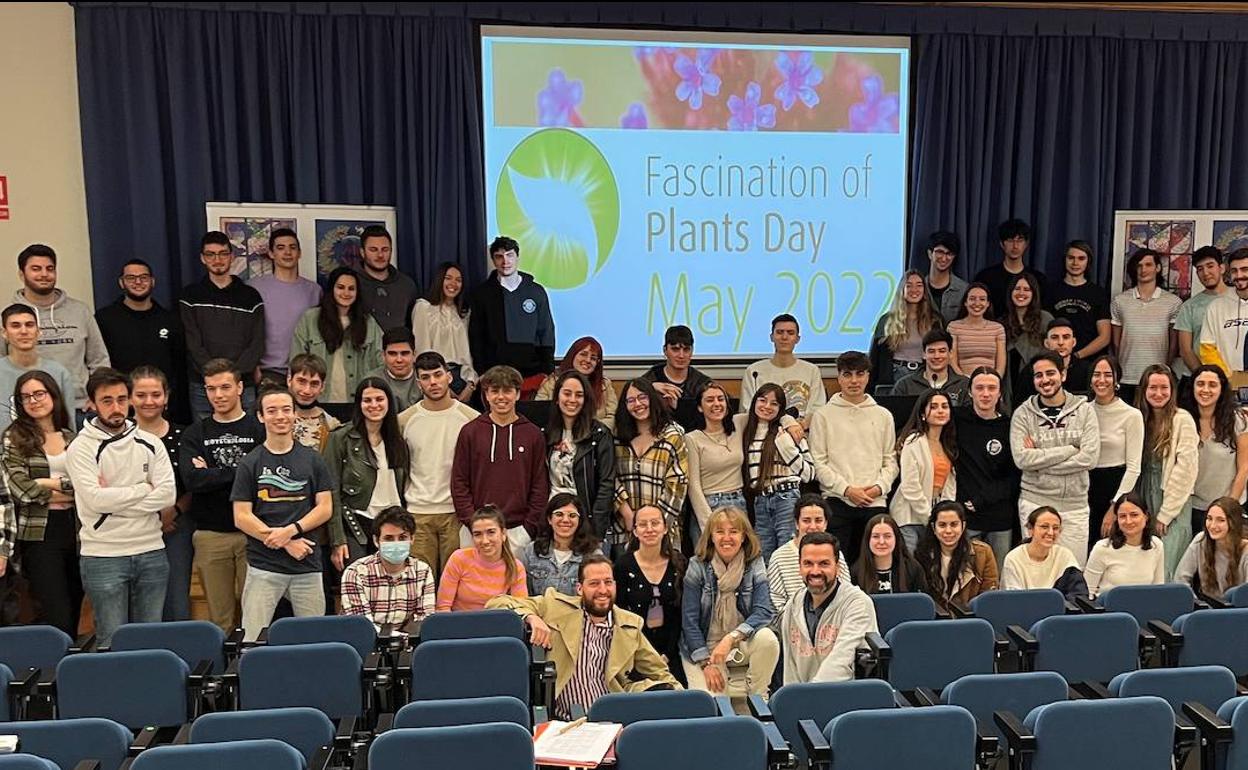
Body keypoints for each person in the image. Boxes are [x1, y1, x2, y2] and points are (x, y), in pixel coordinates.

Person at [489, 553, 681, 719]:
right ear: (579, 589)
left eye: (608, 582)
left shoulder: (629, 625)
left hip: (613, 720)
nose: (603, 590)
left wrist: (685, 703)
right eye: (594, 584)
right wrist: (531, 617)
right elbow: (497, 603)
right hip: (565, 721)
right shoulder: (555, 607)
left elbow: (661, 673)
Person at [67, 368, 175, 646]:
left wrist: (113, 499)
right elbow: (94, 500)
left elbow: (166, 497)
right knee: (111, 642)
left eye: (121, 399)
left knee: (151, 641)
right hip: (103, 555)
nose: (116, 408)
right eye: (106, 401)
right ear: (91, 404)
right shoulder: (80, 448)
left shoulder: (151, 443)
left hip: (151, 550)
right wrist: (142, 489)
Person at [231, 388, 334, 640]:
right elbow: (241, 516)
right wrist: (285, 542)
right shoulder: (250, 463)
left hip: (307, 564)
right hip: (263, 566)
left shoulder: (313, 459)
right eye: (272, 410)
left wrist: (291, 531)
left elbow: (325, 507)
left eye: (286, 409)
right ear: (261, 417)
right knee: (252, 639)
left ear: (294, 414)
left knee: (314, 640)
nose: (280, 416)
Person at [179, 358, 265, 632]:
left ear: (240, 387)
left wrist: (214, 472)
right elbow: (193, 480)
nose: (218, 395)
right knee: (219, 619)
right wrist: (242, 470)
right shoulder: (195, 434)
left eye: (225, 387)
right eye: (211, 388)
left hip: (254, 533)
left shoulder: (258, 430)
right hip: (210, 535)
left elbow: (264, 478)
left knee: (256, 615)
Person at [1, 372, 80, 634]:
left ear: (53, 395)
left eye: (39, 394)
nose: (33, 401)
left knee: (75, 602)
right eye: (26, 397)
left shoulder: (72, 437)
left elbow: (88, 486)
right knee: (55, 610)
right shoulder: (14, 438)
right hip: (39, 531)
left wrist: (47, 482)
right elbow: (21, 489)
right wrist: (66, 486)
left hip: (77, 528)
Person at [1010, 352, 1100, 567]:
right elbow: (1022, 459)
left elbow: (1089, 459)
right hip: (1035, 501)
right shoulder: (1023, 414)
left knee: (1072, 572)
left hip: (1074, 505)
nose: (1045, 380)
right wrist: (1070, 450)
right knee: (1035, 572)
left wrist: (1040, 463)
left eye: (1050, 373)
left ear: (1063, 374)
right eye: (1038, 375)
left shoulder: (1085, 411)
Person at [810, 351, 897, 566]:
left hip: (874, 501)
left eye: (860, 374)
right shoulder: (823, 415)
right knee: (838, 567)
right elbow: (818, 462)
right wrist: (847, 490)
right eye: (847, 375)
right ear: (839, 377)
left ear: (868, 376)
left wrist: (878, 488)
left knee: (876, 567)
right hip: (837, 501)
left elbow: (891, 460)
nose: (854, 381)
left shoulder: (883, 415)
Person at [679, 507, 778, 698]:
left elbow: (763, 611)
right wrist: (706, 663)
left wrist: (731, 638)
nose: (727, 538)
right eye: (720, 532)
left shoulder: (755, 563)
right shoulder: (697, 566)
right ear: (711, 536)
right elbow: (689, 622)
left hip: (740, 640)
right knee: (712, 702)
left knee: (768, 638)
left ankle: (757, 697)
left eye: (733, 531)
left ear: (744, 536)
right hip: (705, 646)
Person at [450, 365, 548, 549]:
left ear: (518, 394)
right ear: (486, 395)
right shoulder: (470, 432)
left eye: (507, 391)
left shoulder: (533, 434)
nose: (501, 397)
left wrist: (529, 528)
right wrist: (473, 523)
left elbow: (540, 485)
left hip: (518, 532)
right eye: (494, 391)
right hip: (476, 531)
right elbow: (459, 481)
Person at [400, 352, 478, 579]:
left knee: (455, 585)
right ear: (418, 382)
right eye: (425, 377)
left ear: (449, 377)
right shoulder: (404, 420)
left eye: (437, 375)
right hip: (417, 513)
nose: (433, 382)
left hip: (456, 514)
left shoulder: (470, 419)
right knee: (419, 585)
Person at [11, 244, 110, 413]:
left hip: (81, 409)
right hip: (31, 411)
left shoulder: (80, 311)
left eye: (50, 269)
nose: (44, 274)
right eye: (36, 269)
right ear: (22, 274)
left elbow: (99, 360)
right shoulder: (10, 317)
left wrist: (99, 397)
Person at [129, 366, 193, 622]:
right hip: (130, 527)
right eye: (141, 395)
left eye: (156, 394)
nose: (149, 401)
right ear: (130, 397)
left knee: (176, 601)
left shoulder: (185, 435)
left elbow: (193, 486)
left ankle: (176, 658)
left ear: (166, 397)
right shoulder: (118, 437)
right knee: (136, 604)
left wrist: (172, 512)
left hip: (177, 523)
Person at [324, 378, 410, 567]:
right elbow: (331, 493)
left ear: (389, 402)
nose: (374, 405)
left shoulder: (398, 440)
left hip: (394, 523)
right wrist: (337, 540)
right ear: (359, 404)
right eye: (367, 400)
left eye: (379, 399)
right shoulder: (340, 438)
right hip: (355, 523)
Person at [179, 231, 265, 418]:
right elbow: (192, 342)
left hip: (242, 384)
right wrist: (215, 377)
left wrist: (232, 378)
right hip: (204, 385)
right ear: (203, 258)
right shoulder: (190, 296)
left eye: (223, 253)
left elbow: (257, 342)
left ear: (231, 257)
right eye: (210, 254)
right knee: (205, 440)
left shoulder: (251, 296)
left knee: (246, 439)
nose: (217, 259)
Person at [95, 259, 188, 423]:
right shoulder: (105, 319)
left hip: (161, 407)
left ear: (152, 281)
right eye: (131, 278)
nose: (138, 282)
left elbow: (179, 366)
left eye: (144, 277)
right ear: (121, 282)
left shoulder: (170, 320)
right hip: (120, 408)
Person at [781, 531, 877, 684]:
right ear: (799, 567)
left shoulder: (858, 604)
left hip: (847, 699)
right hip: (804, 700)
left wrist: (809, 696)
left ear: (837, 567)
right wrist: (794, 701)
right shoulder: (793, 606)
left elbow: (842, 663)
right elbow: (790, 671)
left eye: (824, 564)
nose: (815, 571)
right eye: (808, 563)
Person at [1135, 364, 1198, 580]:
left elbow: (1186, 471)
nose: (1158, 393)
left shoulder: (1183, 419)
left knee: (1168, 568)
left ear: (1172, 390)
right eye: (1153, 388)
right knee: (1146, 567)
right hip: (1144, 496)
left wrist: (1166, 513)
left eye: (1164, 388)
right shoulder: (1139, 418)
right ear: (1144, 390)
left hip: (1172, 502)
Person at [614, 505, 687, 685]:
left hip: (672, 650)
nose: (649, 529)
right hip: (635, 651)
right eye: (643, 524)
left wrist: (667, 655)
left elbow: (682, 615)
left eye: (655, 523)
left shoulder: (679, 564)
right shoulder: (623, 566)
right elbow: (620, 614)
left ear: (665, 528)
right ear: (635, 531)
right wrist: (645, 658)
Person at [468, 235, 556, 386]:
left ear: (517, 257)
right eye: (499, 257)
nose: (505, 261)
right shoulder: (482, 294)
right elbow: (476, 336)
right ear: (493, 260)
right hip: (495, 374)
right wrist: (482, 370)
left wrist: (547, 370)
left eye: (509, 255)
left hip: (533, 374)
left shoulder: (536, 291)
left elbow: (546, 332)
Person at [613, 378, 688, 553]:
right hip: (625, 530)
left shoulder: (672, 435)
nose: (637, 404)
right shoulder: (616, 436)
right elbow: (609, 477)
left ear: (653, 399)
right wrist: (628, 515)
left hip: (663, 531)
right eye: (630, 400)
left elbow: (677, 486)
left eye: (642, 397)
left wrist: (653, 525)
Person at [290, 266, 383, 406]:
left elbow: (380, 361)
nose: (346, 293)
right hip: (318, 400)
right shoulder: (310, 318)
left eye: (351, 288)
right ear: (331, 289)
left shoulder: (368, 322)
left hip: (358, 401)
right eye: (340, 287)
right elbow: (296, 360)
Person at [955, 368, 1019, 569]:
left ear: (1000, 393)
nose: (985, 393)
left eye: (991, 388)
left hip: (999, 516)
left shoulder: (1010, 426)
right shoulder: (956, 421)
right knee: (966, 577)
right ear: (970, 391)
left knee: (998, 578)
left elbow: (1015, 475)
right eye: (980, 388)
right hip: (967, 514)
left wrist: (982, 500)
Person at [742, 384, 814, 561]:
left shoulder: (789, 432)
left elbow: (809, 474)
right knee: (763, 555)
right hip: (760, 500)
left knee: (787, 552)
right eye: (762, 400)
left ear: (780, 409)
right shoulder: (746, 431)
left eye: (774, 404)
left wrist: (786, 448)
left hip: (786, 497)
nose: (767, 406)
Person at [542, 370, 615, 540]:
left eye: (579, 395)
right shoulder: (544, 433)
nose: (572, 400)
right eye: (567, 393)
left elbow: (606, 484)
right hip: (552, 520)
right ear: (557, 397)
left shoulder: (600, 434)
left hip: (585, 521)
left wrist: (595, 527)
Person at [339, 506, 436, 627]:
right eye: (389, 538)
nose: (396, 543)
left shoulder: (423, 571)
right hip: (366, 642)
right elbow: (361, 627)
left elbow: (424, 620)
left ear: (412, 539)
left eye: (402, 538)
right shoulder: (355, 573)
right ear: (376, 541)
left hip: (409, 642)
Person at [247, 228, 321, 382]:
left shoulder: (314, 290)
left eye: (292, 247)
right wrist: (252, 365)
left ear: (299, 253)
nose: (287, 252)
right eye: (281, 248)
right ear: (271, 254)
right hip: (267, 372)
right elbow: (245, 331)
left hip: (304, 372)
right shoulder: (254, 287)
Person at [1088, 355, 1144, 555]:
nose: (1101, 380)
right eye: (1096, 375)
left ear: (1116, 380)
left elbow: (1134, 467)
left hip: (1115, 487)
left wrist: (1114, 507)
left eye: (1107, 375)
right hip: (1084, 487)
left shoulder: (1131, 415)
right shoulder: (1082, 411)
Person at [890, 389, 958, 552]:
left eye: (945, 406)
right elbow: (910, 487)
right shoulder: (913, 441)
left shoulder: (946, 443)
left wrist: (945, 513)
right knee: (911, 568)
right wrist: (931, 517)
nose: (940, 411)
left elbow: (949, 485)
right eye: (934, 407)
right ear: (922, 414)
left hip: (934, 515)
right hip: (909, 516)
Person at [1185, 364, 1248, 535]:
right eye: (1200, 384)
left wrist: (1228, 506)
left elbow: (1244, 467)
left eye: (1212, 385)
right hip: (1192, 507)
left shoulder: (1237, 419)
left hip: (1228, 507)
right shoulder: (1183, 419)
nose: (1206, 390)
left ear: (1222, 389)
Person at [1110, 248, 1181, 399]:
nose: (1143, 270)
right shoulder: (1120, 301)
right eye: (1139, 265)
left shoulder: (1173, 302)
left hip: (1157, 379)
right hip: (1127, 377)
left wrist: (1166, 368)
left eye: (1148, 265)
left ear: (1158, 268)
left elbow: (1174, 344)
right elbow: (1116, 343)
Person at [768, 494, 851, 615]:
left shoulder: (835, 553)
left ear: (826, 523)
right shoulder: (779, 557)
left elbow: (845, 592)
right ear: (797, 523)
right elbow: (776, 603)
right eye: (806, 521)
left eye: (818, 520)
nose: (813, 526)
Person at [686, 382, 746, 548]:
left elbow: (765, 413)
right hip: (710, 504)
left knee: (740, 562)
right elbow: (693, 485)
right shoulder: (692, 438)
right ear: (699, 407)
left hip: (738, 504)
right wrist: (707, 522)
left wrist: (788, 420)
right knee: (709, 564)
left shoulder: (738, 424)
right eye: (710, 400)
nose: (716, 404)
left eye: (721, 399)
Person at [436, 506, 527, 612]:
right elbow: (443, 607)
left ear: (503, 534)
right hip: (460, 624)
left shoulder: (516, 567)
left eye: (491, 532)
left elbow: (522, 609)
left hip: (497, 624)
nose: (485, 541)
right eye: (477, 534)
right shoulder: (458, 559)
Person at [740, 314, 827, 425]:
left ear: (797, 339)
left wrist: (797, 427)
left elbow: (818, 409)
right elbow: (747, 408)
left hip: (801, 434)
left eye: (790, 333)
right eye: (780, 332)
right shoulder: (754, 371)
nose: (784, 337)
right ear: (771, 337)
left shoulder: (811, 370)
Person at [0, 304, 74, 432]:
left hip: (52, 449)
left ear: (39, 331)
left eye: (29, 325)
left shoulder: (59, 372)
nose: (24, 331)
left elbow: (68, 425)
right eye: (15, 326)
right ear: (4, 333)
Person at [410, 261, 477, 403]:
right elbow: (422, 351)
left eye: (458, 280)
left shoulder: (463, 313)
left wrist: (471, 384)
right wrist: (442, 383)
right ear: (439, 279)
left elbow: (467, 354)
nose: (453, 283)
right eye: (448, 278)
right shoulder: (424, 308)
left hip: (462, 379)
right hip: (436, 376)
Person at [914, 501, 999, 611]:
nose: (948, 531)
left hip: (971, 620)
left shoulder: (983, 553)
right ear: (933, 527)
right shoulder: (921, 554)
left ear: (963, 526)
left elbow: (989, 598)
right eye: (942, 525)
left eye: (954, 524)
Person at [868, 270, 943, 391]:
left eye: (919, 285)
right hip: (894, 375)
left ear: (925, 290)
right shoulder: (887, 320)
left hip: (924, 375)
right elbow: (874, 358)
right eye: (909, 286)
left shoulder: (934, 320)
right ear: (901, 290)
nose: (914, 290)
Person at [1085, 492, 1165, 598]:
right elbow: (1087, 593)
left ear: (1146, 516)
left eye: (1134, 515)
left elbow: (1158, 589)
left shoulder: (1156, 545)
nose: (1128, 521)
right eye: (1122, 516)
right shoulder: (1102, 548)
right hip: (1111, 611)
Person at [519, 493, 601, 596]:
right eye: (559, 514)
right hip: (538, 612)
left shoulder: (593, 554)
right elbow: (524, 597)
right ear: (549, 519)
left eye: (572, 515)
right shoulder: (531, 551)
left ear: (579, 521)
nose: (566, 520)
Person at [1046, 240, 1111, 361]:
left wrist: (1077, 356)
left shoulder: (1098, 293)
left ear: (1088, 262)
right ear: (1064, 260)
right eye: (1071, 258)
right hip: (1055, 361)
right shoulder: (1050, 291)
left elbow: (1105, 337)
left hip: (1088, 362)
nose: (1075, 263)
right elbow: (1042, 330)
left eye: (1081, 258)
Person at [1174, 496, 1248, 601]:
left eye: (1220, 520)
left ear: (1234, 523)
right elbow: (1180, 580)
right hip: (1208, 607)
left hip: (1238, 610)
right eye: (1209, 518)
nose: (1213, 526)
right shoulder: (1200, 540)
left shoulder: (1246, 550)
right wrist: (1195, 603)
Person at [535, 336, 617, 430]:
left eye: (593, 358)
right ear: (573, 355)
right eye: (583, 354)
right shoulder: (552, 382)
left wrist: (591, 431)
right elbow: (540, 414)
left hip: (595, 437)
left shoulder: (605, 385)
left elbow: (613, 416)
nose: (587, 360)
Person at [1001, 507, 1084, 596]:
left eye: (1055, 528)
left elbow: (1078, 595)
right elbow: (1013, 599)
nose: (1051, 533)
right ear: (1030, 529)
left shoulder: (1065, 555)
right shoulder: (1014, 558)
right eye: (1044, 527)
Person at [973, 218, 1048, 318]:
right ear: (1002, 244)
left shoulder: (1038, 279)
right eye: (1010, 240)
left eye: (1020, 240)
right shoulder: (985, 277)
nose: (1015, 246)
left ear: (1026, 244)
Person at [640, 325, 714, 425]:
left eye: (686, 349)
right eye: (675, 349)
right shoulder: (652, 377)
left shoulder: (701, 383)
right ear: (665, 350)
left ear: (692, 351)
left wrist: (680, 407)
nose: (681, 355)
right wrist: (650, 388)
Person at [355, 225, 417, 335]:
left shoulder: (407, 285)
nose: (380, 255)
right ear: (362, 252)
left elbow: (414, 328)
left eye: (385, 249)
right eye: (373, 250)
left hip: (397, 350)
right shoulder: (350, 283)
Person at [1004, 272, 1054, 405]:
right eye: (1017, 289)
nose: (1021, 293)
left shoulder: (1045, 319)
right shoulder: (1002, 322)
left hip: (1035, 383)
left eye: (1027, 289)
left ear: (1034, 294)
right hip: (1009, 384)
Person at [1176, 246, 1227, 377]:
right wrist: (1205, 377)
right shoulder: (1189, 306)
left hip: (1238, 380)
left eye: (1210, 266)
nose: (1205, 272)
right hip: (1199, 379)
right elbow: (1186, 350)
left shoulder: (1240, 300)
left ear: (1221, 268)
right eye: (1200, 269)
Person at [1198, 247, 1248, 377]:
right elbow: (1207, 349)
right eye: (1234, 271)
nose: (1239, 275)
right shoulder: (1216, 307)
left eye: (1245, 270)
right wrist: (1225, 378)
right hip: (1227, 386)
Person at [852, 514, 927, 595]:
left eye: (887, 536)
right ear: (867, 540)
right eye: (875, 536)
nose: (881, 542)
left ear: (897, 539)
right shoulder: (856, 572)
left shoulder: (913, 569)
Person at [891, 329, 970, 405]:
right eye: (931, 351)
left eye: (942, 351)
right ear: (923, 354)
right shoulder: (905, 385)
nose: (936, 356)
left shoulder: (964, 385)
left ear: (950, 353)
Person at [948, 283, 1007, 377]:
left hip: (990, 383)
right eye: (972, 299)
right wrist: (965, 382)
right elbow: (952, 362)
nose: (977, 303)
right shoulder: (954, 327)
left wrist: (994, 380)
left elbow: (1001, 366)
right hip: (961, 382)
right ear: (965, 302)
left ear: (988, 304)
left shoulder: (997, 328)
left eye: (982, 299)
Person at [287, 354, 340, 451]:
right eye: (301, 381)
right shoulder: (277, 418)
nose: (307, 390)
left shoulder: (331, 425)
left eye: (314, 384)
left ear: (322, 387)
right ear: (289, 380)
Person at [368, 327, 422, 411]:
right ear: (383, 355)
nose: (399, 360)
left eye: (404, 353)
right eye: (392, 354)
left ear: (414, 355)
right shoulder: (371, 380)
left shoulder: (426, 377)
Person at [924, 231, 968, 324]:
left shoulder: (964, 290)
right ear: (930, 254)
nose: (944, 258)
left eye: (949, 253)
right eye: (940, 252)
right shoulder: (918, 288)